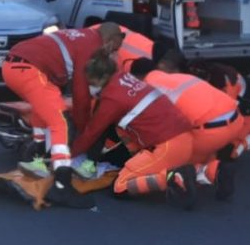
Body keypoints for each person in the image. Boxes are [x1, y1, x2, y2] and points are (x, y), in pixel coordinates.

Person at [1, 23, 125, 208]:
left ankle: (36, 159)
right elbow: (81, 96)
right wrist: (84, 133)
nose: (112, 54)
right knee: (61, 122)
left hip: (13, 65)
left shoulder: (82, 35)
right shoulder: (92, 47)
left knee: (44, 107)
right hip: (28, 69)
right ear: (108, 42)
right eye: (113, 50)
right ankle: (62, 185)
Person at [72, 51, 198, 208]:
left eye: (89, 82)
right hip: (185, 139)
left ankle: (169, 178)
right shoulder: (125, 78)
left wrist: (67, 155)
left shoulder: (112, 99)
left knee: (120, 187)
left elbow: (92, 132)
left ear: (100, 78)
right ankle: (212, 171)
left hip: (166, 146)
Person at [131, 51, 245, 202]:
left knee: (175, 158)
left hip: (211, 132)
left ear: (137, 78)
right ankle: (214, 168)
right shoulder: (178, 78)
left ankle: (210, 171)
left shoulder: (147, 89)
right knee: (197, 146)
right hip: (236, 120)